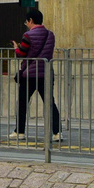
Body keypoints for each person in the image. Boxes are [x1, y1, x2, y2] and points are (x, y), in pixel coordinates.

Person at [15, 8, 61, 140]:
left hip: (29, 75)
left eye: (27, 22)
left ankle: (20, 132)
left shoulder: (28, 35)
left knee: (23, 102)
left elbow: (21, 54)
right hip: (46, 74)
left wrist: (16, 48)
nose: (27, 25)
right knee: (50, 103)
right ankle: (57, 132)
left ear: (30, 20)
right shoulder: (50, 35)